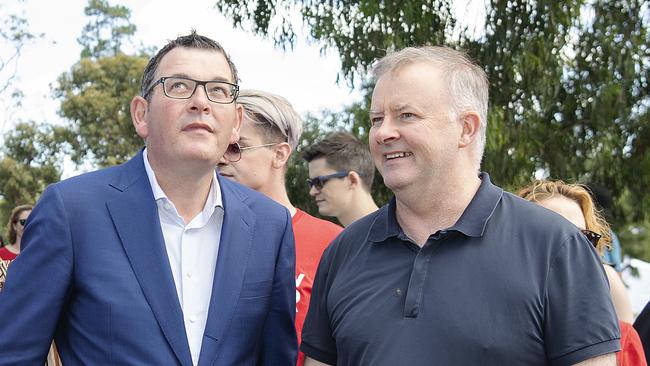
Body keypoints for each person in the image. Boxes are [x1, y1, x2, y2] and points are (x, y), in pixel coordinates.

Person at [300, 46, 620, 366]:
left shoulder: (556, 247)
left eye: (406, 115)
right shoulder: (343, 252)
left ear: (466, 128)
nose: (383, 132)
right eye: (376, 119)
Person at [0, 32, 297, 365]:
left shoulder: (270, 225)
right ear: (141, 114)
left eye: (218, 90)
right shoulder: (71, 212)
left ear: (235, 123)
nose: (201, 102)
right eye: (179, 86)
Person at [217, 89, 343, 366]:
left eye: (236, 147)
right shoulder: (204, 235)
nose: (221, 158)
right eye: (219, 146)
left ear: (280, 154)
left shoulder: (332, 242)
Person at [518, 180, 646, 366]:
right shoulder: (484, 330)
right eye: (548, 235)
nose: (568, 249)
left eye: (583, 238)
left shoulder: (623, 341)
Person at [302, 132, 378, 227]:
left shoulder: (395, 236)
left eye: (319, 182)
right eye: (311, 183)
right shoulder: (343, 240)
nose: (312, 192)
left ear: (352, 180)